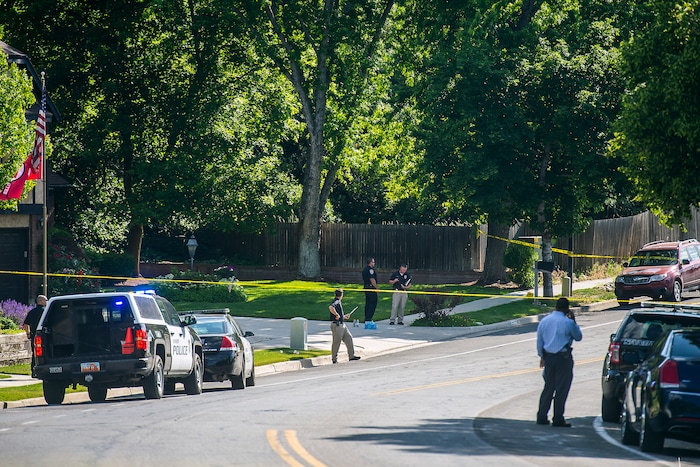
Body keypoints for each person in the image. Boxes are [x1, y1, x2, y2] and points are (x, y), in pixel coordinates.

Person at [536, 297, 582, 427]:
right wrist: (574, 321)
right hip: (563, 357)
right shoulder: (568, 323)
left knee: (548, 387)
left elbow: (539, 342)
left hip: (549, 357)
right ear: (567, 309)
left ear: (556, 307)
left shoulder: (544, 321)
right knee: (562, 388)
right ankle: (558, 417)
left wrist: (542, 356)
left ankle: (541, 416)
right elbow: (578, 337)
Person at [328, 289, 361, 364]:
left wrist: (344, 316)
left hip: (342, 324)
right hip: (337, 325)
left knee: (349, 338)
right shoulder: (336, 301)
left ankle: (351, 356)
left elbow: (339, 314)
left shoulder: (338, 301)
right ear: (341, 295)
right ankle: (334, 359)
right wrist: (336, 314)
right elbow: (331, 307)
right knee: (337, 342)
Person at [23, 294, 47, 375]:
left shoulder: (32, 312)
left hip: (34, 335)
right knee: (46, 352)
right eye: (45, 300)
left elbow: (26, 324)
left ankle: (34, 371)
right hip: (45, 335)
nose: (46, 302)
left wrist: (28, 333)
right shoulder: (45, 311)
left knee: (35, 353)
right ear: (40, 301)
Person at [362, 257, 378, 322]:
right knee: (373, 303)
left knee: (368, 303)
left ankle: (367, 317)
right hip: (371, 288)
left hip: (366, 288)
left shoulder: (365, 269)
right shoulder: (370, 270)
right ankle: (368, 318)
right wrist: (376, 287)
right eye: (373, 262)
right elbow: (372, 279)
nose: (374, 263)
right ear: (370, 262)